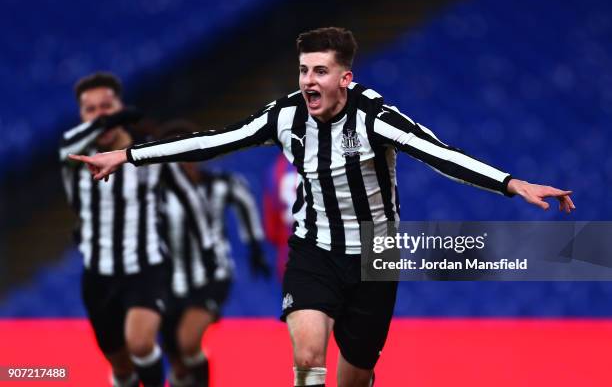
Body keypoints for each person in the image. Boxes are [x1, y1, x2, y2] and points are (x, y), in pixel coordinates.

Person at [69, 28, 575, 387]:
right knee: (308, 353)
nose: (308, 80)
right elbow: (215, 141)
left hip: (377, 256)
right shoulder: (286, 115)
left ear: (345, 78)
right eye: (303, 69)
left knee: (354, 374)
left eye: (320, 71)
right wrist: (130, 154)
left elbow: (442, 157)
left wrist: (512, 183)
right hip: (313, 250)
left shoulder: (377, 118)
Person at [59, 72, 211, 387]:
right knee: (122, 368)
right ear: (81, 116)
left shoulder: (149, 155)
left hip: (146, 267)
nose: (100, 115)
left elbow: (190, 199)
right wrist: (113, 119)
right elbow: (72, 140)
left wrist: (206, 248)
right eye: (91, 109)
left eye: (107, 106)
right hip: (98, 277)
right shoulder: (72, 156)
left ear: (121, 105)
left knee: (141, 343)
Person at [156, 121, 271, 387]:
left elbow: (243, 199)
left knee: (188, 340)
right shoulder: (156, 194)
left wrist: (255, 246)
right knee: (176, 355)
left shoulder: (220, 185)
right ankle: (181, 378)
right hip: (167, 281)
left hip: (211, 275)